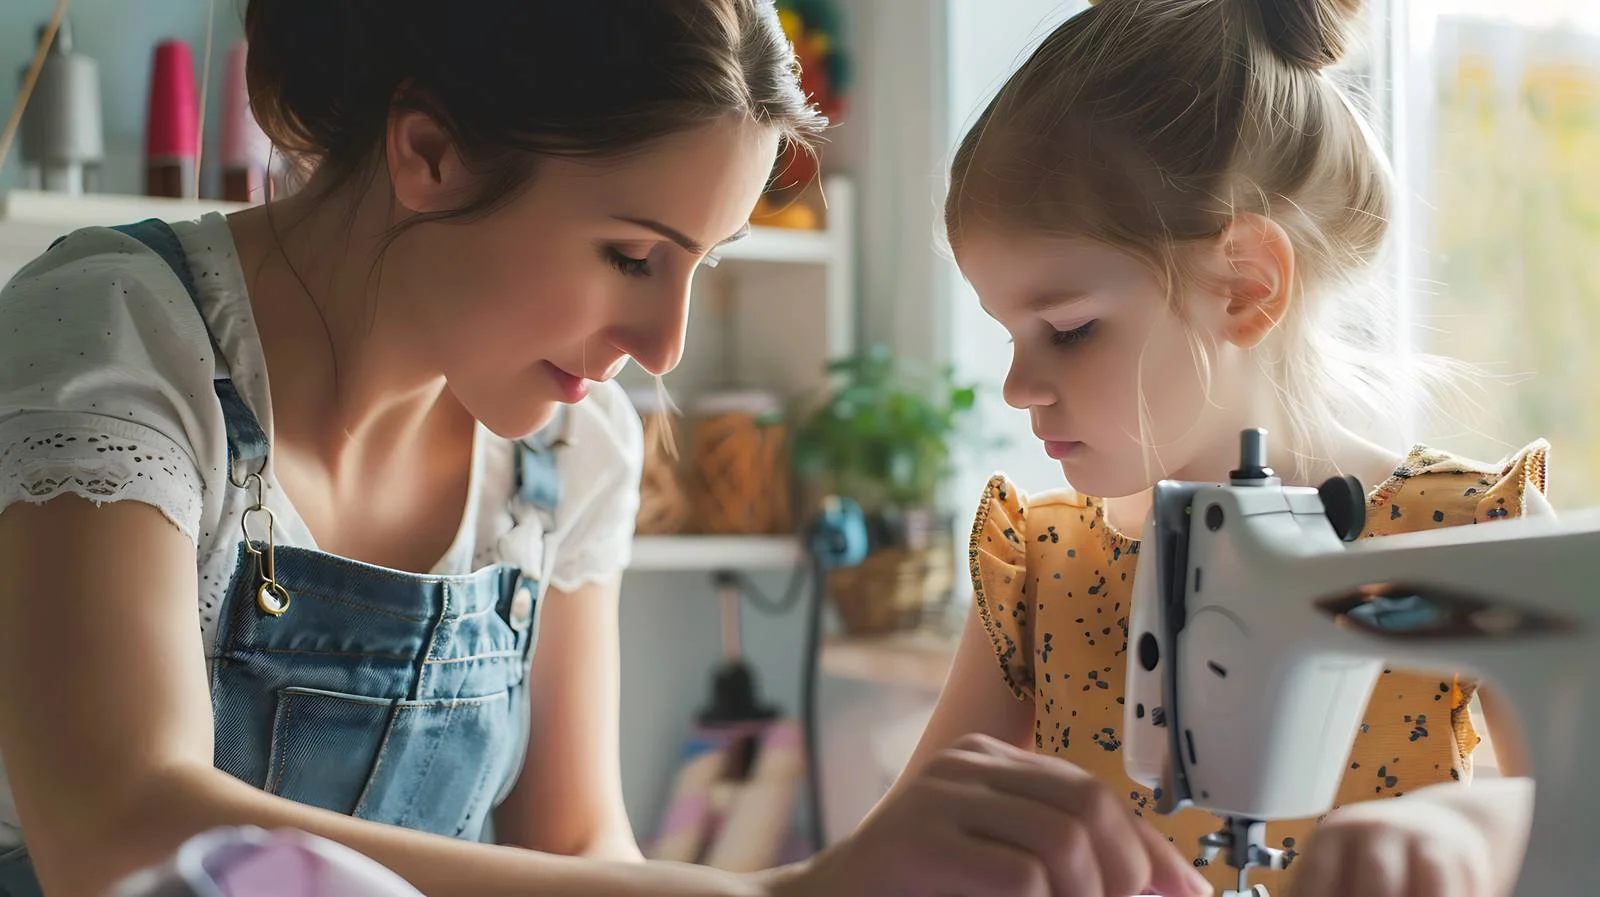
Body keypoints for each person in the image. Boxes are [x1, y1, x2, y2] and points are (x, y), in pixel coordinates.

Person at [0, 3, 1210, 897]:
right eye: (633, 255)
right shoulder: (119, 350)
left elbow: (576, 846)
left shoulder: (571, 446)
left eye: (701, 266)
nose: (665, 344)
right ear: (429, 153)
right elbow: (124, 827)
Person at [891, 0, 1547, 895]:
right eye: (1010, 334)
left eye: (1069, 329)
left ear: (1244, 286)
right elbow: (893, 864)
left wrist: (1478, 824)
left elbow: (1581, 809)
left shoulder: (1472, 541)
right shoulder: (1045, 570)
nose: (1018, 387)